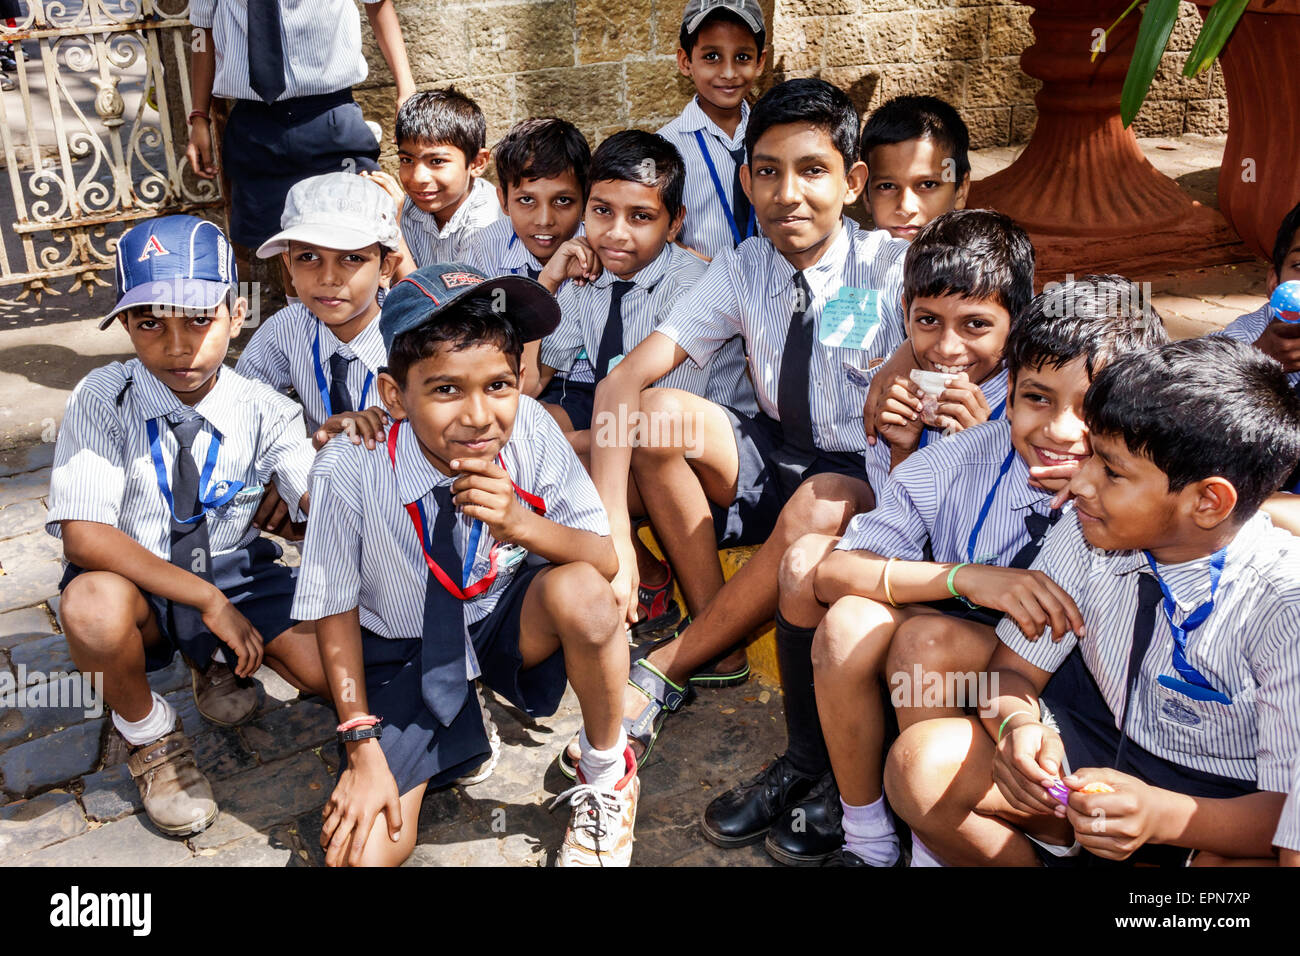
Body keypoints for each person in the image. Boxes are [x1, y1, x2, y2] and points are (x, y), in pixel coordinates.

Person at [792, 276, 1166, 867]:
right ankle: (882, 839)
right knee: (879, 630)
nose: (1061, 431)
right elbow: (832, 572)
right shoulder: (957, 460)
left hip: (1105, 709)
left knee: (928, 642)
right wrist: (963, 578)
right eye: (1036, 398)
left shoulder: (1153, 495)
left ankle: (949, 835)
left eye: (1091, 409)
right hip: (1006, 674)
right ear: (1007, 394)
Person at [586, 78, 908, 764]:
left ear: (852, 182)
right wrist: (614, 530)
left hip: (861, 476)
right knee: (653, 414)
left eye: (812, 170)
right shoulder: (744, 264)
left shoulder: (893, 270)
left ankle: (672, 661)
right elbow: (622, 380)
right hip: (772, 455)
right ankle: (719, 635)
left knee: (823, 499)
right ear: (746, 179)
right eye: (768, 172)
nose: (787, 192)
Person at [886, 336, 1300, 867]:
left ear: (1207, 501)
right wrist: (1018, 726)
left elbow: (1288, 819)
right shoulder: (1086, 531)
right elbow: (1009, 674)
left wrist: (1160, 815)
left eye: (1111, 470)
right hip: (1100, 763)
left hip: (1224, 809)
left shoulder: (1282, 606)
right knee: (922, 766)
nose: (1079, 482)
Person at [701, 210, 1037, 864]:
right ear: (905, 312)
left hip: (1004, 617)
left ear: (1016, 324)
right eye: (926, 323)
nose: (946, 349)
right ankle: (822, 778)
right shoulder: (904, 391)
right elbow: (897, 541)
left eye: (976, 326)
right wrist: (910, 452)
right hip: (933, 581)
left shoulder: (1039, 410)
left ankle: (900, 816)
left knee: (901, 632)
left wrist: (973, 447)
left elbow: (995, 553)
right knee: (806, 567)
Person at [293, 263, 639, 867]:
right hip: (402, 650)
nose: (480, 416)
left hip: (500, 623)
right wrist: (361, 745)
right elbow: (335, 609)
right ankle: (452, 731)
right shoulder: (350, 466)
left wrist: (523, 525)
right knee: (359, 855)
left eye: (499, 385)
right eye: (447, 389)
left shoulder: (531, 429)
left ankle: (608, 772)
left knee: (584, 594)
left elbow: (603, 556)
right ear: (394, 397)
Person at [47, 215, 327, 837]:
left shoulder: (267, 410)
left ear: (235, 313)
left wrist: (324, 498)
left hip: (235, 571)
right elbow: (85, 537)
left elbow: (316, 498)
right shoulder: (103, 396)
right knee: (89, 606)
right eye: (149, 322)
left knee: (327, 668)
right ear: (125, 324)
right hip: (135, 579)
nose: (176, 346)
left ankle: (214, 660)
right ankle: (150, 737)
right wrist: (205, 599)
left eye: (198, 319)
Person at [185, 0, 414, 253]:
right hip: (256, 124)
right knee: (271, 242)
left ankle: (398, 292)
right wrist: (199, 115)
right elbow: (200, 30)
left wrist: (406, 89)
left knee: (365, 229)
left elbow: (378, 4)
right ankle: (277, 294)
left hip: (330, 115)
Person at [235, 172, 401, 448]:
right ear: (288, 265)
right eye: (308, 257)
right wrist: (296, 460)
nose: (327, 278)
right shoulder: (286, 329)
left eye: (351, 258)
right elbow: (241, 415)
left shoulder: (415, 338)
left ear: (386, 268)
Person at [657, 0, 767, 259]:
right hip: (701, 288)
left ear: (760, 62)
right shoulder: (663, 147)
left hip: (773, 289)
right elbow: (652, 227)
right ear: (685, 62)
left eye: (742, 57)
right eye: (711, 57)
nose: (728, 73)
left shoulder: (774, 136)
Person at [390, 88, 503, 277]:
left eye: (437, 161)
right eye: (407, 160)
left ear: (477, 163)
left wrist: (394, 234)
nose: (418, 178)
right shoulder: (406, 208)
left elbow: (433, 306)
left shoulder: (486, 228)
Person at [859, 95, 971, 242]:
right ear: (866, 195)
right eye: (887, 186)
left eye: (928, 184)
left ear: (961, 190)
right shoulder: (848, 262)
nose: (906, 208)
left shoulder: (979, 263)